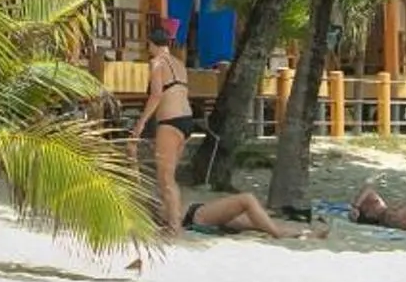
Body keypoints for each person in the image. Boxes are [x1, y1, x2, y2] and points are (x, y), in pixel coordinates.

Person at [130, 17, 197, 234]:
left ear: (152, 44)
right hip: (187, 120)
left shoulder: (156, 62)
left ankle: (174, 227)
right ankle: (170, 219)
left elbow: (157, 94)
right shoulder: (179, 63)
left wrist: (140, 123)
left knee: (166, 177)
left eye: (148, 45)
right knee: (168, 176)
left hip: (170, 121)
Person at [172, 189, 315, 239]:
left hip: (196, 213)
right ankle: (278, 233)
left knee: (258, 223)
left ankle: (301, 233)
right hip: (195, 215)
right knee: (247, 199)